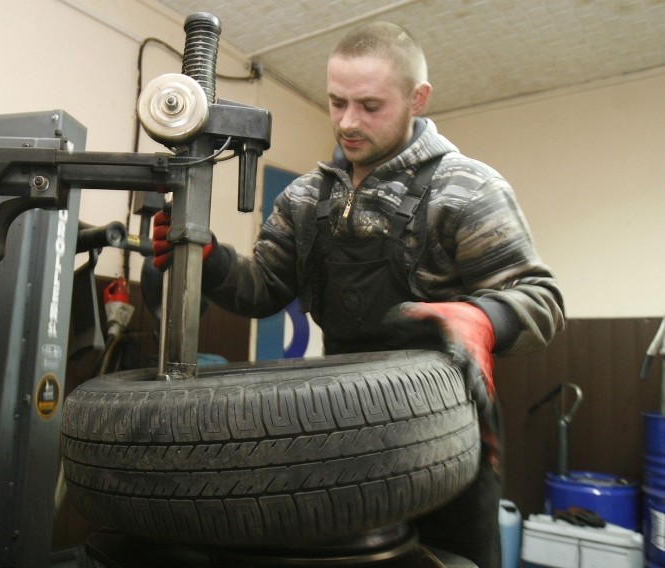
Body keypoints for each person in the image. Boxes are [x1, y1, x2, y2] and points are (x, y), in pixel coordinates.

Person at [152, 20, 564, 568]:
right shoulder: (304, 198)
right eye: (336, 101)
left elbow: (540, 298)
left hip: (446, 440)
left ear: (417, 99)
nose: (348, 122)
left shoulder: (467, 188)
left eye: (370, 106)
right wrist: (213, 261)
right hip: (340, 439)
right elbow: (263, 289)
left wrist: (484, 319)